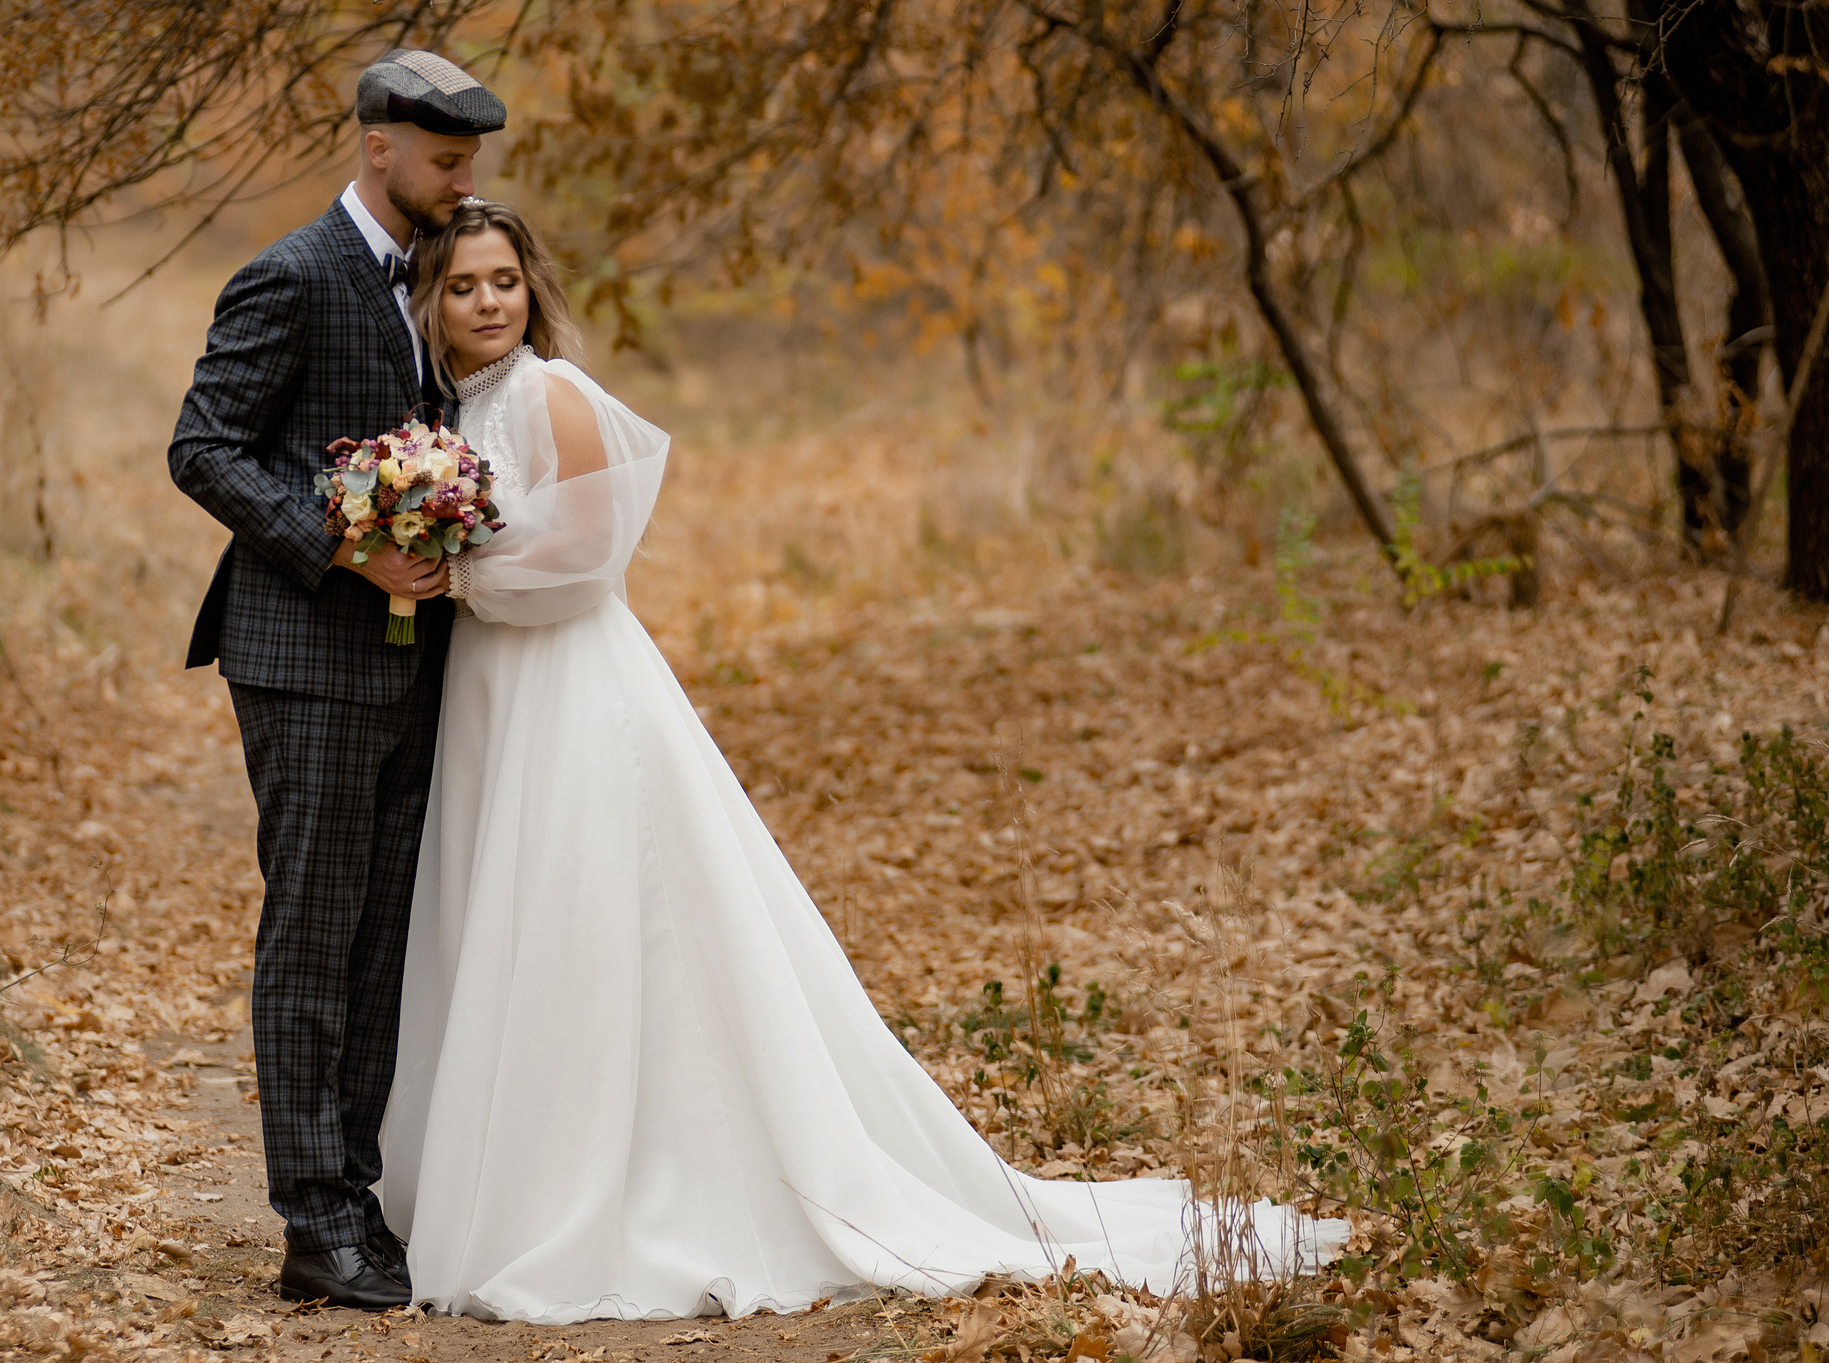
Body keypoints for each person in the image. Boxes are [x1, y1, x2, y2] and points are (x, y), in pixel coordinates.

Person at [378, 200, 1345, 1322]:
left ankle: (627, 1182)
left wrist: (459, 574)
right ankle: (521, 1162)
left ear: (530, 288)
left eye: (503, 281)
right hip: (496, 688)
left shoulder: (549, 390)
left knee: (595, 906)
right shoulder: (452, 407)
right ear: (430, 302)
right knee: (518, 911)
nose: (487, 302)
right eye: (462, 287)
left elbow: (592, 555)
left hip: (570, 684)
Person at [168, 49, 510, 1310]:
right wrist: (346, 544)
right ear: (377, 147)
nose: (460, 179)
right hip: (302, 658)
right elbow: (201, 446)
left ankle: (354, 1194)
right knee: (313, 934)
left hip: (419, 670)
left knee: (383, 941)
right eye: (442, 160)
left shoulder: (428, 277)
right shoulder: (293, 275)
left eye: (469, 160)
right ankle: (311, 1223)